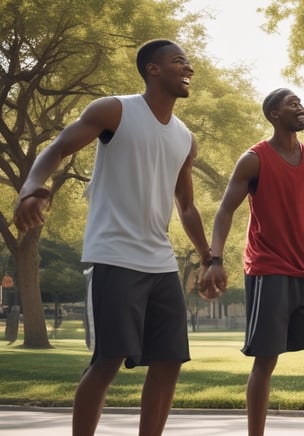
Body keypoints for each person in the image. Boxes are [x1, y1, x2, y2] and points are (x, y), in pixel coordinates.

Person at [13, 39, 212, 436]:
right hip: (115, 255)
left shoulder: (184, 137)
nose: (188, 68)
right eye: (179, 62)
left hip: (160, 262)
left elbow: (186, 206)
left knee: (170, 359)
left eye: (188, 63)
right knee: (109, 358)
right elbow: (56, 149)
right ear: (153, 69)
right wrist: (32, 187)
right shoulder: (115, 111)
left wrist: (209, 258)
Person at [200, 88, 304, 436]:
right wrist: (214, 259)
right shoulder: (254, 159)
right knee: (266, 360)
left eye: (301, 103)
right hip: (268, 270)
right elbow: (224, 211)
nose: (301, 107)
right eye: (292, 104)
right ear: (274, 115)